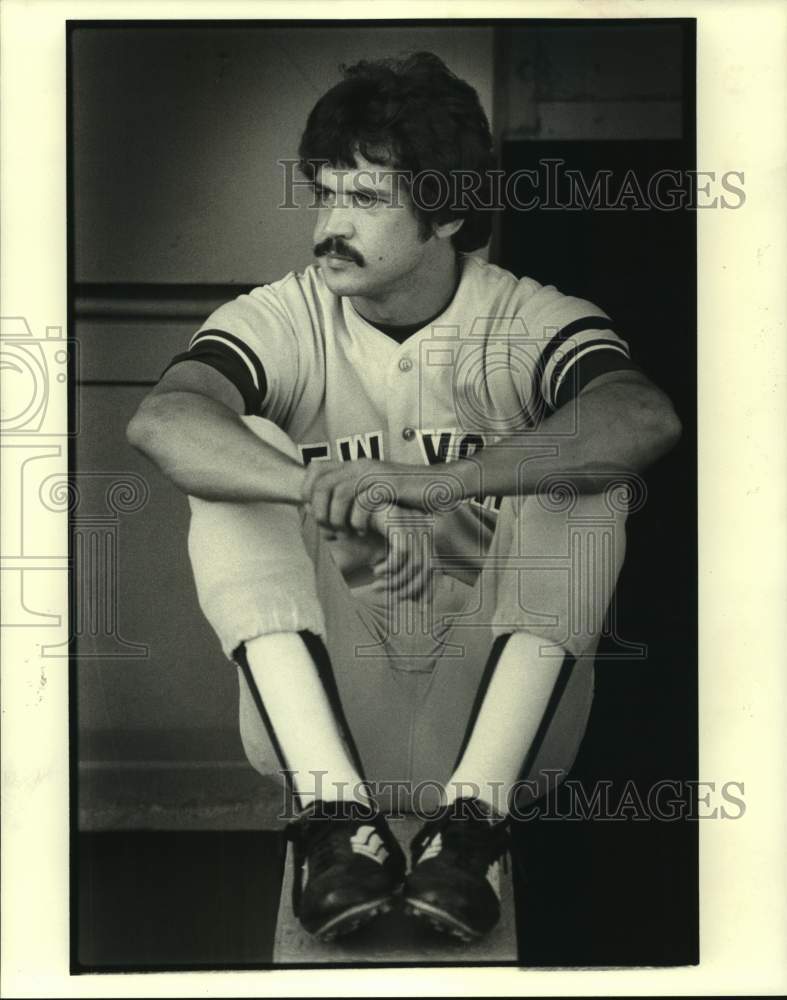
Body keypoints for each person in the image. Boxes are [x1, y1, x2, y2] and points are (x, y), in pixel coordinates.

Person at [127, 52, 681, 944]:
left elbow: (640, 417)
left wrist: (438, 482)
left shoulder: (525, 316)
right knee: (240, 452)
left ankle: (473, 825)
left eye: (367, 200)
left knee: (580, 469)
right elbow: (163, 421)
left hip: (494, 707)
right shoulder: (286, 314)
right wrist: (313, 483)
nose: (329, 227)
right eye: (325, 195)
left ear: (449, 212)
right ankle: (330, 820)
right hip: (327, 703)